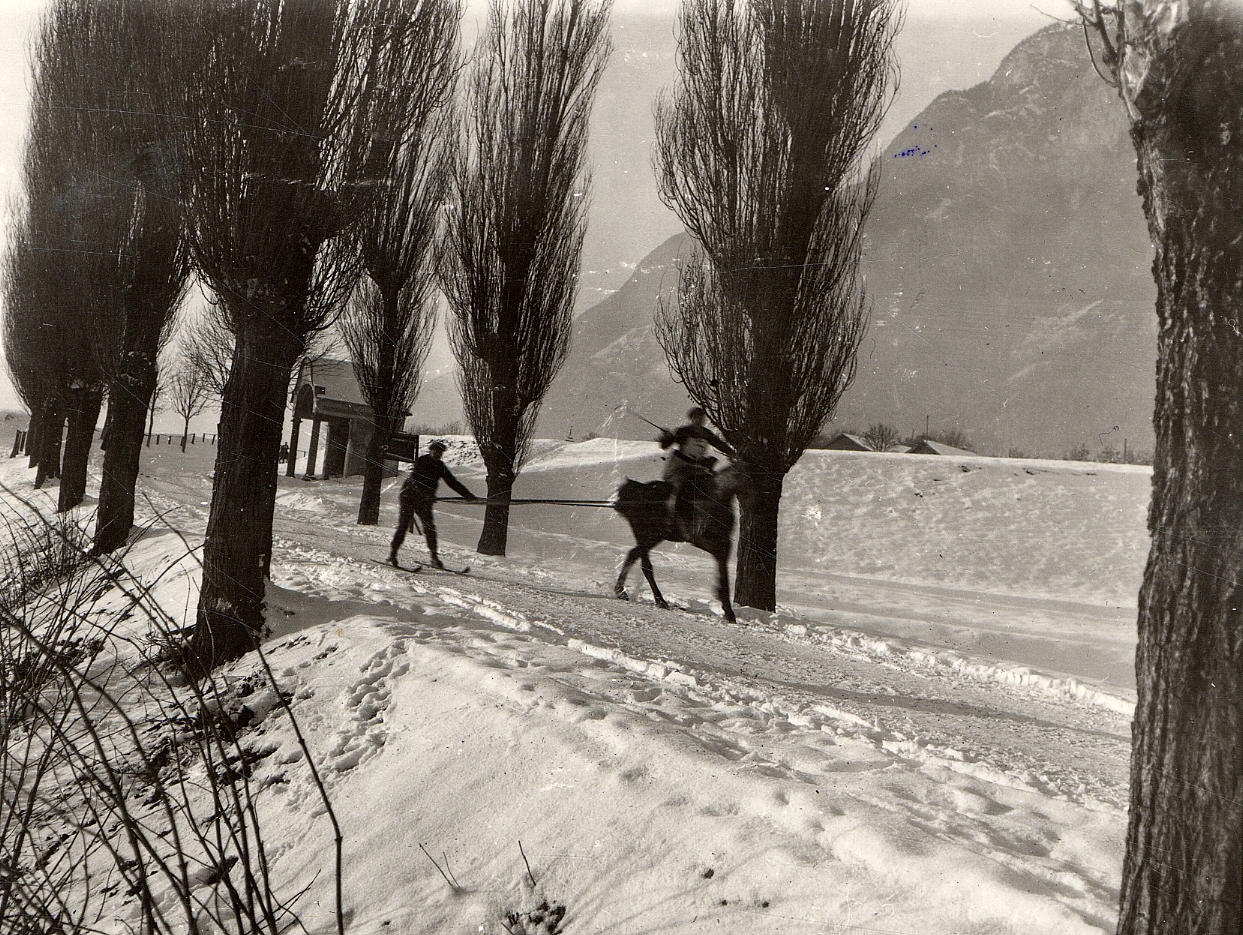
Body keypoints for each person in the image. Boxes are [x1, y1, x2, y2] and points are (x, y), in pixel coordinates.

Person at [388, 440, 478, 568]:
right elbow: (415, 480)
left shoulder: (440, 466)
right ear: (430, 451)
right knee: (403, 526)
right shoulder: (422, 461)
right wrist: (426, 495)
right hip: (408, 497)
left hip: (425, 501)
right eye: (435, 451)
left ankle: (434, 558)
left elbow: (452, 482)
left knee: (430, 528)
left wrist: (468, 495)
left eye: (440, 453)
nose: (438, 454)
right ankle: (392, 554)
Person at [659, 406, 735, 528]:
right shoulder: (683, 432)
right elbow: (665, 445)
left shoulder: (706, 434)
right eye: (696, 418)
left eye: (702, 418)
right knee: (680, 488)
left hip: (697, 468)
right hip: (680, 467)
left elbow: (719, 444)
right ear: (692, 419)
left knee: (712, 485)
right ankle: (671, 516)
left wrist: (732, 453)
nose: (699, 420)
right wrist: (667, 436)